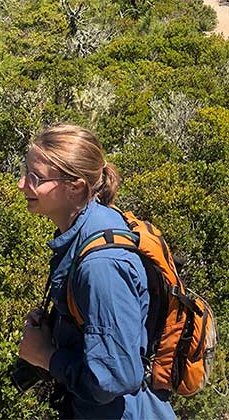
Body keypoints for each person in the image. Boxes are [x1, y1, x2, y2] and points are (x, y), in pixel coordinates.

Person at [16, 124, 176, 420]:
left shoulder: (101, 266)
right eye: (25, 172)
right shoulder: (92, 225)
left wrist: (46, 357)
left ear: (75, 187)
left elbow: (116, 378)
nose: (22, 185)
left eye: (36, 177)